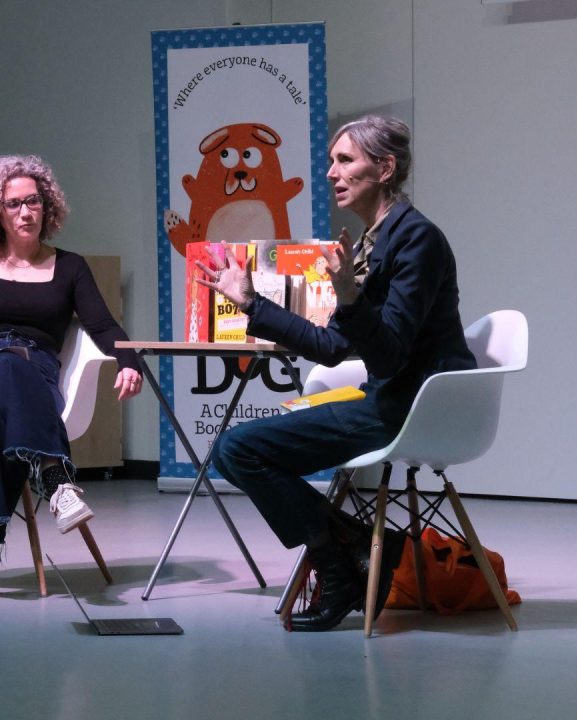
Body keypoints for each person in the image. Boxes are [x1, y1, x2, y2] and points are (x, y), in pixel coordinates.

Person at [196, 116, 476, 631]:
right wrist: (250, 302)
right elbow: (331, 347)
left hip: (413, 409)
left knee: (238, 449)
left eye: (345, 161)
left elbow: (389, 356)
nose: (330, 173)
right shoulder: (376, 240)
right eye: (331, 161)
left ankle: (336, 564)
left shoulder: (417, 241)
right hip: (389, 398)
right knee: (235, 449)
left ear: (385, 168)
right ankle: (355, 544)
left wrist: (349, 295)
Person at [0, 154, 142, 599]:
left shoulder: (70, 267)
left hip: (35, 383)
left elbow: (103, 325)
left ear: (48, 207)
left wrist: (130, 361)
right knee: (3, 362)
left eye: (34, 202)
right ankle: (57, 480)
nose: (26, 212)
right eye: (13, 204)